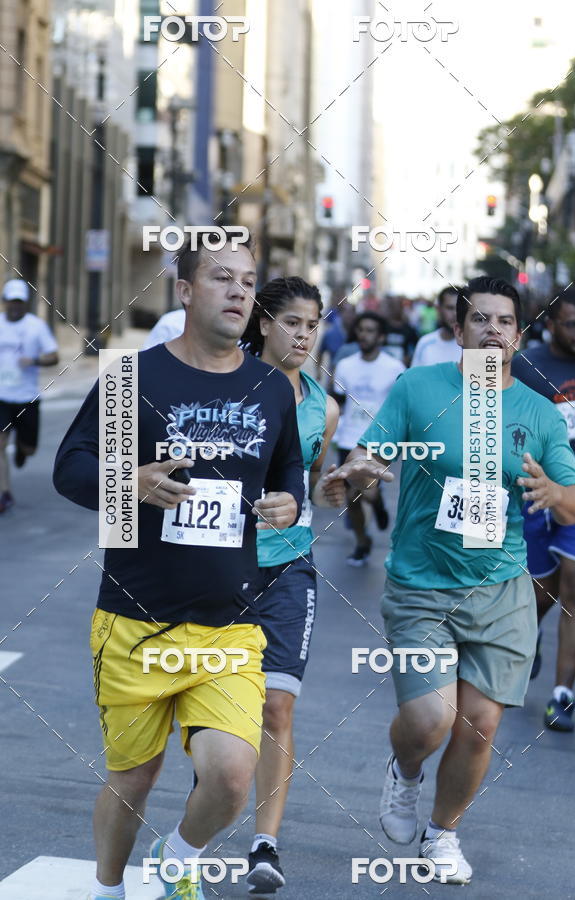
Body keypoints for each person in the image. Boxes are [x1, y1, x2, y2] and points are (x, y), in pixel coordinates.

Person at [53, 235, 305, 900]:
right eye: (222, 278)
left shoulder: (270, 388)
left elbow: (288, 474)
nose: (239, 292)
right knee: (134, 778)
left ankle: (178, 855)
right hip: (134, 619)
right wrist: (127, 482)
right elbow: (70, 469)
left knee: (228, 776)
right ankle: (108, 888)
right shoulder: (135, 376)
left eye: (248, 281)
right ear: (186, 290)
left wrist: (289, 503)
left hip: (229, 626)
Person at [323, 276, 575, 884]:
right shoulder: (418, 388)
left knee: (480, 725)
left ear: (518, 336)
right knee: (429, 720)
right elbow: (372, 456)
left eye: (503, 321)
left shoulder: (539, 414)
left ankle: (442, 834)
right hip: (421, 583)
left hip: (500, 588)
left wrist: (554, 493)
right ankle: (405, 771)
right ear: (457, 330)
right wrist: (358, 472)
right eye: (480, 320)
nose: (492, 330)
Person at [240, 276, 341, 896]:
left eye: (312, 324)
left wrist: (340, 486)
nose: (304, 335)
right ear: (263, 324)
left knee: (277, 705)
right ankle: (213, 794)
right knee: (219, 715)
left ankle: (265, 843)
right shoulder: (232, 387)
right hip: (220, 567)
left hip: (288, 567)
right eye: (292, 323)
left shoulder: (324, 407)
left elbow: (310, 480)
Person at [512, 286, 575, 731]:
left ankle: (563, 695)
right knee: (541, 590)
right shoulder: (528, 367)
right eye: (573, 323)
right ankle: (532, 638)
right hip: (531, 491)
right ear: (551, 325)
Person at [332, 312, 405, 565]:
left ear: (381, 336)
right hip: (347, 438)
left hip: (378, 441)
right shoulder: (345, 365)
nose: (365, 335)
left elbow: (400, 404)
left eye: (371, 330)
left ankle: (375, 503)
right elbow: (338, 400)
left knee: (359, 491)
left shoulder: (394, 368)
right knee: (351, 495)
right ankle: (363, 540)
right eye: (361, 330)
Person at [0, 277, 58, 513]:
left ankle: (23, 451)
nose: (15, 306)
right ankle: (5, 494)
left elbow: (53, 356)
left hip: (28, 397)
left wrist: (34, 360)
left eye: (19, 302)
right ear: (4, 302)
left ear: (25, 304)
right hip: (2, 396)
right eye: (11, 302)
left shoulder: (36, 326)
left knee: (30, 447)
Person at [411, 287, 461, 367]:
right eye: (450, 308)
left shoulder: (473, 345)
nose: (455, 313)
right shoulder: (425, 343)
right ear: (438, 309)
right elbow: (414, 378)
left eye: (459, 308)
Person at [381, 296, 419, 366]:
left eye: (398, 305)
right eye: (393, 305)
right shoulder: (382, 327)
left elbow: (417, 347)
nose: (396, 308)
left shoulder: (408, 329)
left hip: (401, 366)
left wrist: (409, 357)